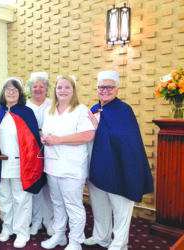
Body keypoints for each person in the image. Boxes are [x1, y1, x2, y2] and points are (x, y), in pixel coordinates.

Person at [84, 70, 154, 250]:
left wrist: (99, 128)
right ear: (97, 88)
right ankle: (101, 237)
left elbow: (125, 139)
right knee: (99, 205)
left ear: (117, 89)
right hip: (96, 166)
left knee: (121, 208)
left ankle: (119, 243)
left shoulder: (124, 110)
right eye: (101, 87)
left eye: (109, 87)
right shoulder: (93, 109)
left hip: (118, 167)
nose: (105, 90)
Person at [0, 77, 45, 249]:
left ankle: (21, 232)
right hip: (0, 163)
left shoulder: (26, 112)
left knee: (21, 199)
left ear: (20, 94)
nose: (11, 92)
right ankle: (7, 227)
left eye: (15, 90)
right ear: (3, 93)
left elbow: (33, 141)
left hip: (21, 164)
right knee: (4, 198)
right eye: (8, 89)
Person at [40, 75, 96, 250]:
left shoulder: (81, 110)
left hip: (72, 167)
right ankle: (59, 235)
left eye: (67, 87)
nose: (62, 91)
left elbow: (88, 135)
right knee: (57, 202)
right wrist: (45, 138)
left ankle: (75, 241)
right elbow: (44, 131)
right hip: (52, 165)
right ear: (55, 90)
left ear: (73, 91)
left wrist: (58, 140)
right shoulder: (49, 110)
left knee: (73, 205)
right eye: (59, 87)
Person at [25, 72, 54, 236]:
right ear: (30, 89)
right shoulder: (26, 106)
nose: (38, 89)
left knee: (49, 189)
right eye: (34, 86)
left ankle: (49, 222)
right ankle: (36, 221)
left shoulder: (52, 104)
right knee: (35, 187)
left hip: (50, 151)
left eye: (41, 86)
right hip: (31, 152)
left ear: (46, 89)